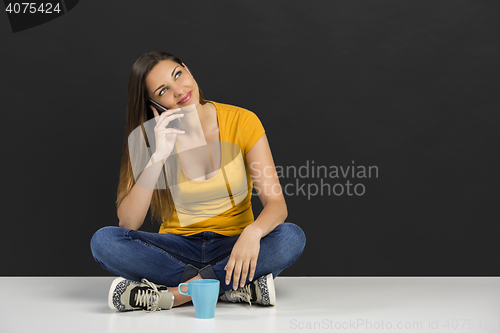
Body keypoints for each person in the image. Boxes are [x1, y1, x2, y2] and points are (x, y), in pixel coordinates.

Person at [90, 51, 306, 312]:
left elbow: (277, 205)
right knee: (103, 241)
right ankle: (231, 288)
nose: (179, 91)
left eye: (178, 75)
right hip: (177, 250)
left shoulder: (243, 121)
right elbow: (128, 223)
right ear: (153, 104)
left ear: (187, 69)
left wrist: (252, 233)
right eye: (163, 91)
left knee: (291, 236)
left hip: (234, 244)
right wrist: (158, 154)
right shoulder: (154, 139)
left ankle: (174, 295)